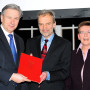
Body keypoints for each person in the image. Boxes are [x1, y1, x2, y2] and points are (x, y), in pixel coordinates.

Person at [26, 10, 71, 90]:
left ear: (54, 24)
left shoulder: (65, 44)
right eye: (41, 24)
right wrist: (28, 65)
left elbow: (65, 71)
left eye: (48, 24)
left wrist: (48, 74)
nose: (44, 28)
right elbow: (27, 69)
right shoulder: (30, 42)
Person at [0, 4, 30, 90]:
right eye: (9, 17)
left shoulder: (19, 40)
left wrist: (29, 63)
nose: (12, 22)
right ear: (1, 18)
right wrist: (11, 76)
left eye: (16, 18)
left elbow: (18, 66)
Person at [66, 21, 90, 90]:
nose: (85, 35)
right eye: (82, 32)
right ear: (78, 36)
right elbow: (68, 81)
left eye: (89, 32)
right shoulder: (72, 55)